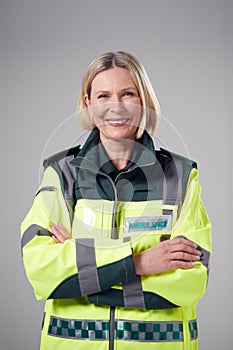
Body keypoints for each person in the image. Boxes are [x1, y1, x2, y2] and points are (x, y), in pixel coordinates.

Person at [21, 51, 212, 350]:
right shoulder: (62, 175)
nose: (116, 106)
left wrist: (78, 275)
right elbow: (40, 271)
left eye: (127, 93)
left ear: (144, 100)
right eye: (103, 96)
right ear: (87, 103)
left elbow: (188, 284)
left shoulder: (181, 177)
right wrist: (139, 263)